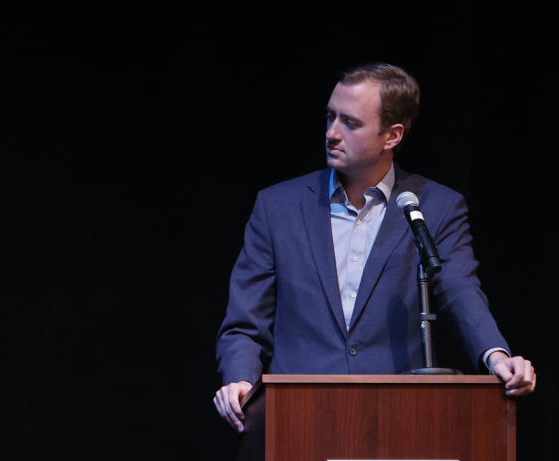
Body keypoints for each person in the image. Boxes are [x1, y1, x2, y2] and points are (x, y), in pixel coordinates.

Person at [213, 64, 535, 431]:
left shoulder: (436, 207)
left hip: (396, 418)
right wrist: (240, 379)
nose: (331, 133)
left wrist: (496, 356)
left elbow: (460, 292)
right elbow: (245, 322)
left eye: (350, 123)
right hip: (297, 420)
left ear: (392, 136)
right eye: (330, 117)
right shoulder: (279, 207)